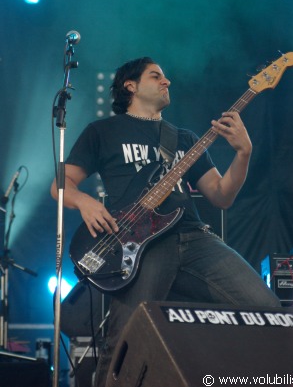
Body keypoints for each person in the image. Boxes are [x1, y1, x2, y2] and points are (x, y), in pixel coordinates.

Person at [51, 56, 280, 386]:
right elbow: (60, 185)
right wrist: (85, 201)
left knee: (266, 310)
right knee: (126, 338)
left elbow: (221, 195)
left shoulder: (183, 138)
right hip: (141, 244)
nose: (166, 81)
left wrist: (244, 154)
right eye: (156, 75)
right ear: (130, 85)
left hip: (194, 236)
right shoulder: (102, 132)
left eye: (166, 76)